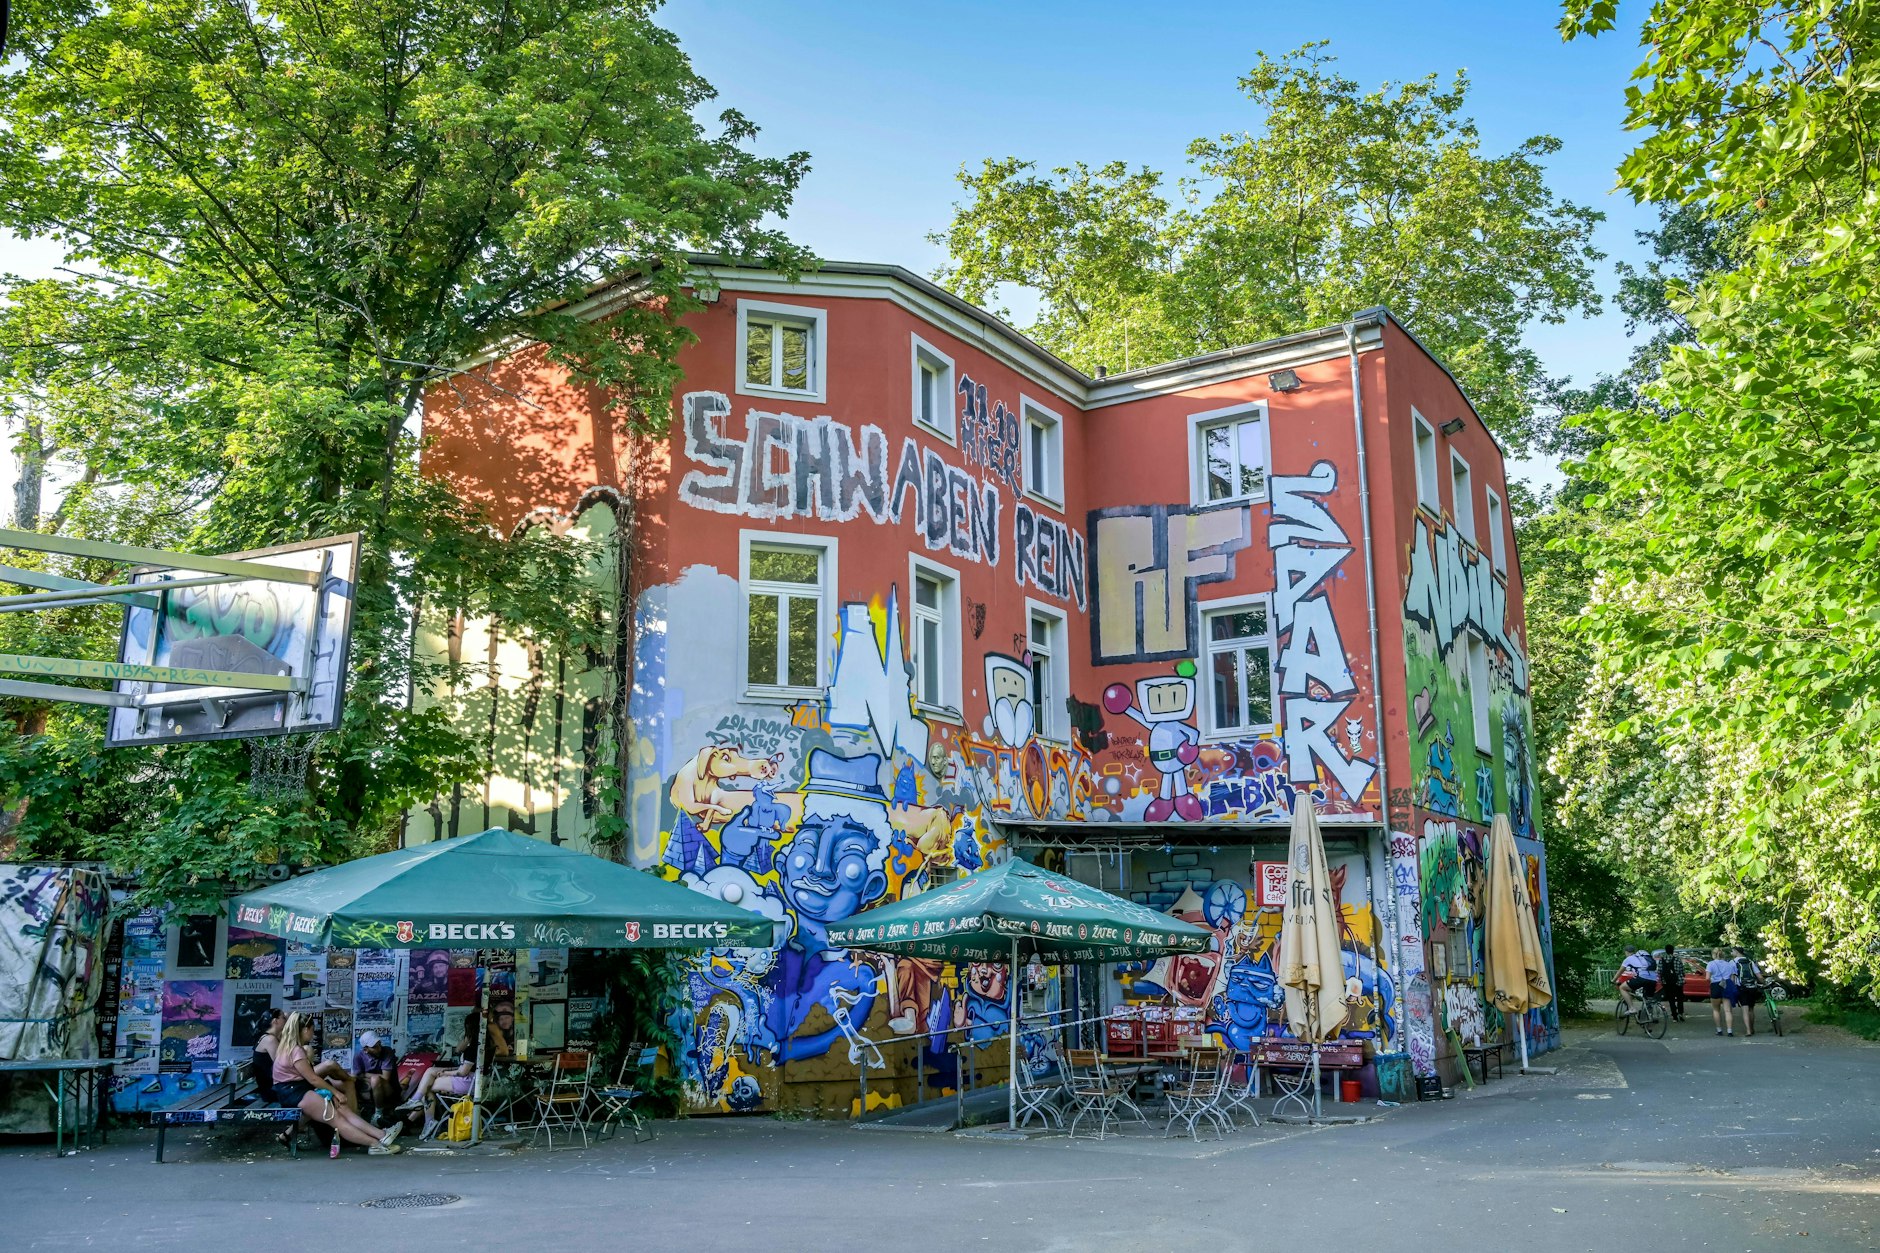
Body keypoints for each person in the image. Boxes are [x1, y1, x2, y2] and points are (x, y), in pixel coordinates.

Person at [273, 1011, 404, 1154]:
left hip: (297, 1090)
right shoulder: (296, 1051)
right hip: (295, 1092)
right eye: (312, 1029)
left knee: (344, 1110)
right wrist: (335, 1092)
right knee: (337, 1120)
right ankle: (374, 1144)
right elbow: (313, 1078)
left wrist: (331, 1093)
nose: (313, 1033)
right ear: (305, 1029)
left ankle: (382, 1135)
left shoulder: (289, 1047)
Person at [395, 1010, 487, 1137]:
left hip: (468, 1083)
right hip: (473, 1081)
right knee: (430, 1075)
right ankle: (419, 1113)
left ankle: (423, 1116)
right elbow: (458, 1050)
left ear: (469, 1027)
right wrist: (446, 1071)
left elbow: (462, 1072)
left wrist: (447, 1074)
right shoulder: (481, 1044)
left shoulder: (474, 1048)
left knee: (428, 1086)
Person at [351, 1031, 402, 1124]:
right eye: (374, 1047)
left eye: (379, 1044)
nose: (379, 1048)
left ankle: (378, 1113)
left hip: (389, 1089)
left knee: (375, 1080)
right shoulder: (358, 1056)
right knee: (350, 1080)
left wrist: (365, 1074)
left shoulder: (387, 1051)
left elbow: (385, 1077)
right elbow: (357, 1076)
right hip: (370, 1088)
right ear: (366, 1049)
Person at [1733, 946, 1766, 1037]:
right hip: (1752, 987)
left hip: (1741, 987)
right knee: (1751, 1009)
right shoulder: (1750, 962)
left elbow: (1732, 977)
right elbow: (1759, 976)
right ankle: (1752, 1028)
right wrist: (1764, 982)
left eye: (1733, 951)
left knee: (1745, 1009)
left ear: (1736, 952)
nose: (1732, 953)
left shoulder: (1733, 962)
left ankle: (1748, 1030)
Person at [1705, 947, 1739, 1036]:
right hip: (1726, 985)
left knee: (1716, 1010)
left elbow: (1707, 978)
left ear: (1713, 955)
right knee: (1728, 1011)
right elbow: (1732, 978)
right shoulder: (1729, 964)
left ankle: (1719, 1030)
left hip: (1715, 985)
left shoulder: (1710, 964)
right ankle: (1730, 1031)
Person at [1615, 945, 1658, 1014]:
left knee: (1622, 988)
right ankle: (1650, 1015)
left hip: (1642, 978)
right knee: (1648, 998)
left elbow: (1620, 971)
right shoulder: (1641, 957)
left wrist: (1614, 980)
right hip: (1654, 978)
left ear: (1626, 952)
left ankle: (1632, 1008)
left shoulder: (1629, 959)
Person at [1656, 943, 1686, 1022]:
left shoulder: (1661, 960)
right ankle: (1680, 1013)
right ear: (1673, 951)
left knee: (1671, 999)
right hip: (1678, 981)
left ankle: (1674, 1017)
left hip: (1666, 982)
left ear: (1666, 951)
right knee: (1680, 998)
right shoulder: (1677, 959)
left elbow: (1659, 971)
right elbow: (1682, 970)